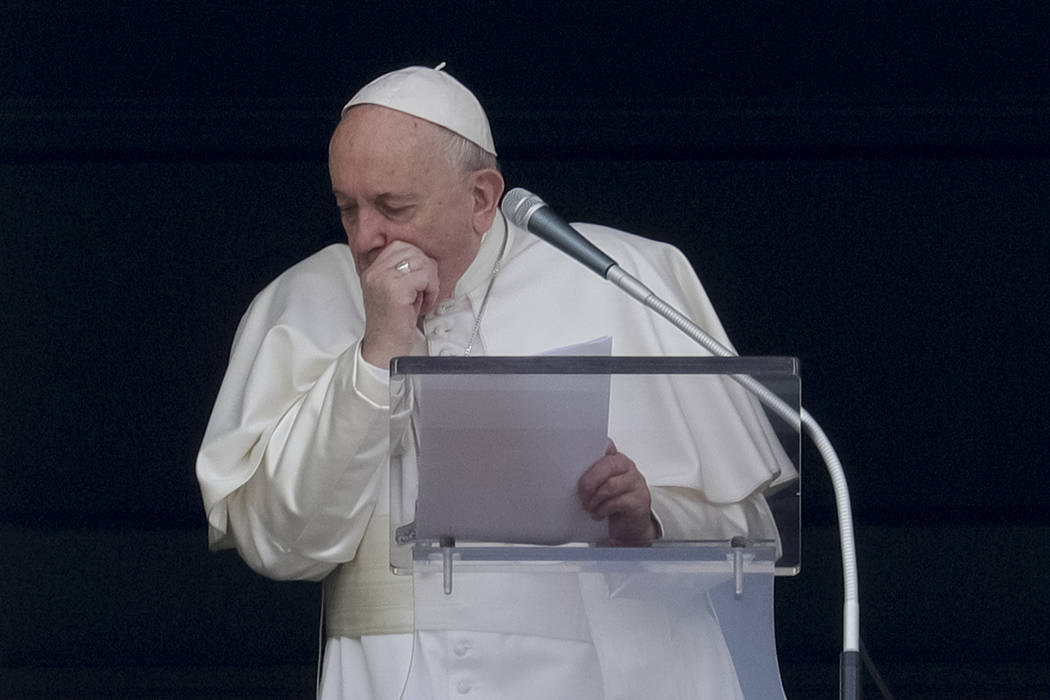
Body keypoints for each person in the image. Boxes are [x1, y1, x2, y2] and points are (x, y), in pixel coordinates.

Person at [197, 64, 794, 699]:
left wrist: (649, 524)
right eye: (348, 209)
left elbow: (748, 531)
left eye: (393, 207)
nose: (367, 238)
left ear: (482, 197)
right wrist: (375, 356)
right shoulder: (304, 299)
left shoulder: (625, 277)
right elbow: (280, 545)